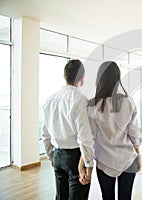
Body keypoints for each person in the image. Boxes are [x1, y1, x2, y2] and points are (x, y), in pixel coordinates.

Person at [82, 61, 142, 200]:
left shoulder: (92, 105)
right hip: (128, 159)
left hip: (104, 162)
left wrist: (87, 164)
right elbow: (134, 134)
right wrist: (138, 157)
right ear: (117, 79)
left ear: (99, 79)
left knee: (107, 197)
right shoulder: (128, 101)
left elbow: (90, 139)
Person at [42, 60, 94, 200]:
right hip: (76, 158)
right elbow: (85, 137)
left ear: (65, 76)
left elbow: (45, 134)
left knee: (60, 197)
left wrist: (50, 156)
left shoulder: (49, 100)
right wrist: (88, 164)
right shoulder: (80, 100)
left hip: (57, 155)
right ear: (82, 77)